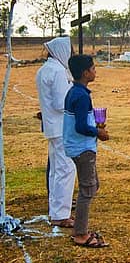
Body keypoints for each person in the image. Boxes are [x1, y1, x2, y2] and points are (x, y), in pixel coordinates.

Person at [63, 54, 110, 248]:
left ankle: (80, 228)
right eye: (93, 68)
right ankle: (80, 234)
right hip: (82, 148)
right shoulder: (81, 96)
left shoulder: (75, 91)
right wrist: (98, 132)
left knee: (92, 185)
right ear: (85, 73)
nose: (95, 71)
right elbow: (81, 126)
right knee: (87, 189)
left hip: (79, 146)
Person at [36, 36, 76, 228]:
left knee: (56, 170)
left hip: (52, 126)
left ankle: (56, 209)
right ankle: (61, 214)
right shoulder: (59, 71)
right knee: (66, 169)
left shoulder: (44, 69)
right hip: (61, 127)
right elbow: (61, 103)